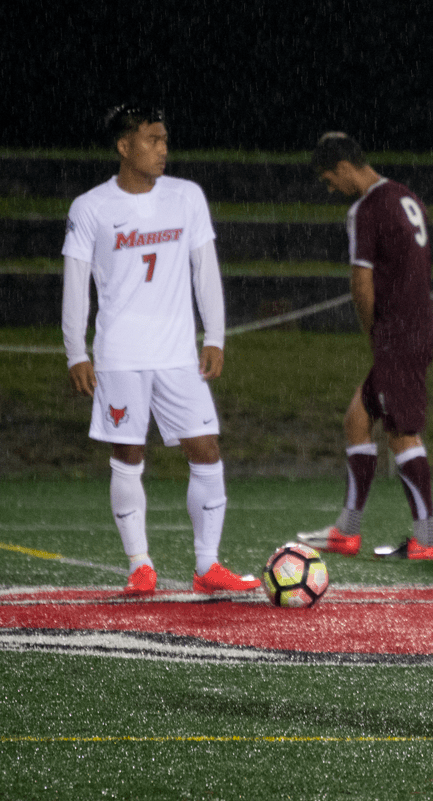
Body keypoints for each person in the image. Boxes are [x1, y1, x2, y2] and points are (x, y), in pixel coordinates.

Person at [62, 104, 259, 595]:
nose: (163, 149)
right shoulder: (90, 207)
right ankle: (140, 565)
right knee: (128, 455)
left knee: (206, 449)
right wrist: (75, 351)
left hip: (177, 354)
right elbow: (75, 284)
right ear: (124, 146)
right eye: (152, 139)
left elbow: (205, 269)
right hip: (120, 355)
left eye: (165, 139)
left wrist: (215, 336)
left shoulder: (186, 196)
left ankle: (207, 566)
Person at [296, 132, 433, 561]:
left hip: (399, 333)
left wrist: (374, 332)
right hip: (418, 325)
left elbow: (361, 282)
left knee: (402, 432)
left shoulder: (367, 207)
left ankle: (427, 540)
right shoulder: (404, 196)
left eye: (329, 180)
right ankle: (347, 531)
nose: (331, 189)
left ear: (343, 167)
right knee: (357, 420)